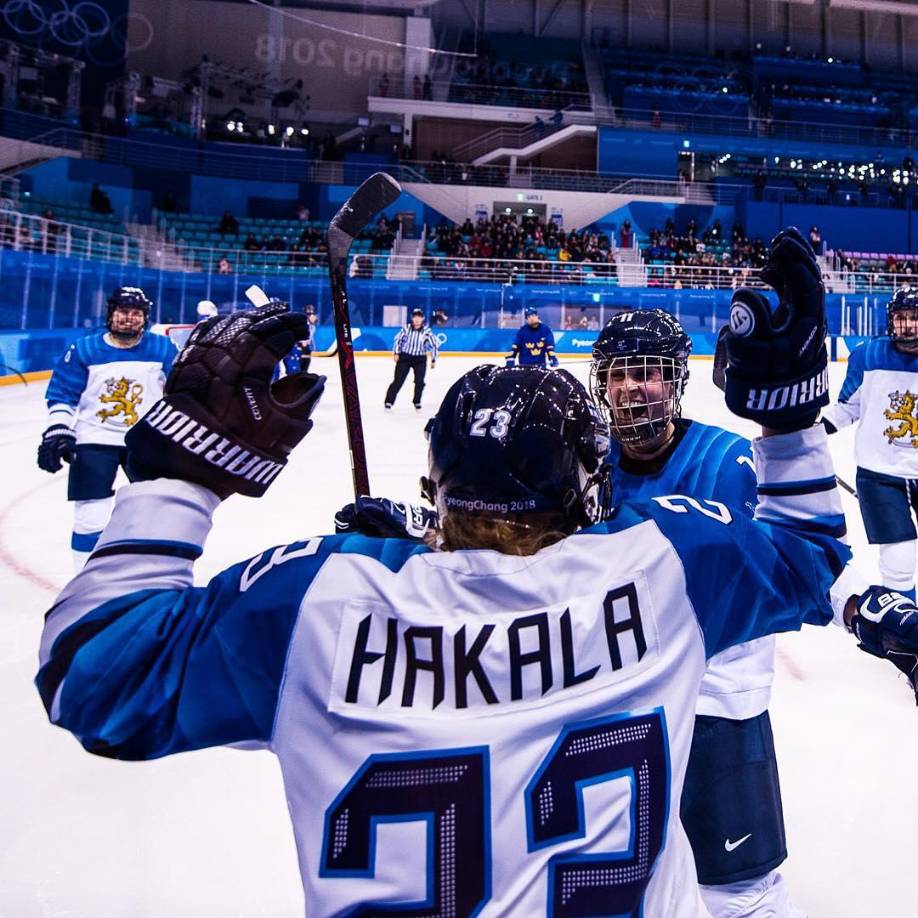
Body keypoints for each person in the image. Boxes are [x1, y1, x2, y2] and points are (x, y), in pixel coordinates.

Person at [35, 282, 918, 915]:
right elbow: (806, 555)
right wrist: (792, 423)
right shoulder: (664, 565)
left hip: (718, 713)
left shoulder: (324, 601)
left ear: (438, 482)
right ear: (589, 481)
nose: (637, 387)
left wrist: (178, 478)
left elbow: (93, 676)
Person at [590, 308, 812, 918]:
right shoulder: (586, 464)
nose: (632, 387)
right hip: (616, 703)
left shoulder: (727, 462)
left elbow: (784, 569)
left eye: (649, 373)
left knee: (739, 892)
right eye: (618, 374)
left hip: (717, 703)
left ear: (676, 380)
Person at [37, 287, 177, 569]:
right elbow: (63, 394)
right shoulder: (85, 349)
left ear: (145, 317)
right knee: (91, 517)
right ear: (111, 314)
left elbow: (180, 392)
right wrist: (58, 429)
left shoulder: (163, 348)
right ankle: (84, 581)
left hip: (145, 441)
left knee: (153, 511)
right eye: (123, 312)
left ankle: (145, 575)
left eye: (136, 313)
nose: (129, 318)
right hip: (93, 439)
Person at [823, 285, 918, 600]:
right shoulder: (868, 355)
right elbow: (849, 407)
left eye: (914, 318)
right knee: (898, 557)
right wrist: (815, 429)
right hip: (879, 473)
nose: (907, 325)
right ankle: (906, 628)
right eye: (901, 317)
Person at [385, 307, 438, 411]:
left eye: (419, 317)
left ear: (423, 318)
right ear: (412, 318)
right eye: (415, 317)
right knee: (398, 380)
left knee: (419, 382)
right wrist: (396, 353)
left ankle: (417, 401)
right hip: (405, 357)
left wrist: (433, 359)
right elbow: (397, 340)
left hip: (420, 359)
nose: (417, 319)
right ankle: (389, 401)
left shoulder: (427, 331)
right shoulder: (406, 328)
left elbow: (434, 345)